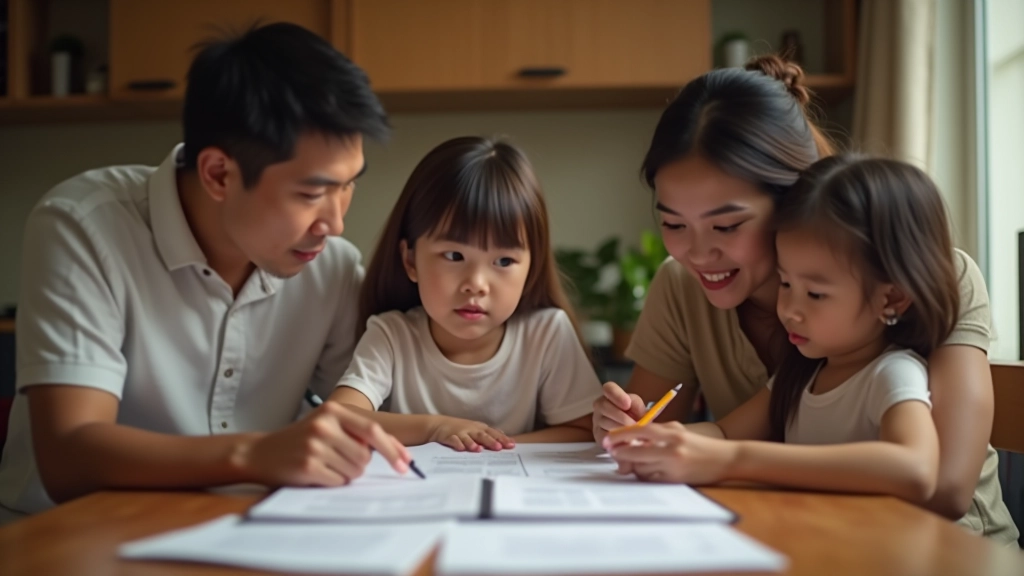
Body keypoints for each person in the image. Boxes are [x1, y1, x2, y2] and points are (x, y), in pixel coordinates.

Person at [592, 56, 1017, 543]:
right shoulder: (791, 365)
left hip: (945, 549)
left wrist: (731, 461)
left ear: (795, 202)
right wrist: (631, 427)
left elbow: (942, 487)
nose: (698, 253)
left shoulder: (927, 285)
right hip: (807, 536)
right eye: (672, 224)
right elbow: (684, 430)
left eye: (727, 225)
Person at [0, 23, 411, 518]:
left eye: (348, 186)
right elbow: (70, 458)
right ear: (219, 173)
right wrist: (256, 454)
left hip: (245, 533)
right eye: (310, 194)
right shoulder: (83, 227)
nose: (335, 222)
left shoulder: (333, 268)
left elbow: (371, 410)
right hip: (69, 540)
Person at [606, 156, 958, 504]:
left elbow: (916, 470)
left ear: (892, 298)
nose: (788, 309)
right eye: (785, 283)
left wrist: (734, 460)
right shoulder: (801, 374)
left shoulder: (891, 373)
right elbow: (724, 432)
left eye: (815, 293)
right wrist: (653, 439)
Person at [333, 137, 600, 451]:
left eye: (503, 261)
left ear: (531, 267)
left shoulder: (546, 333)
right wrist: (436, 428)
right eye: (454, 256)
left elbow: (585, 430)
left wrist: (490, 446)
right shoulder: (391, 335)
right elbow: (338, 417)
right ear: (410, 260)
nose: (476, 284)